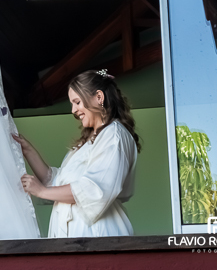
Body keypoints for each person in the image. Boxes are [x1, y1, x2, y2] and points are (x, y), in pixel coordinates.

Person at [12, 69, 140, 237]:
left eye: (77, 102)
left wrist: (42, 191)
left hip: (97, 235)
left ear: (99, 97)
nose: (73, 110)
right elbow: (57, 182)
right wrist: (28, 151)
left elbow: (94, 190)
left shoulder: (114, 135)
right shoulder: (88, 141)